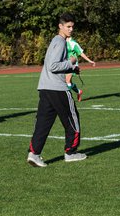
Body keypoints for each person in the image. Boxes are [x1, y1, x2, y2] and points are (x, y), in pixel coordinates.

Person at [27, 12, 87, 167]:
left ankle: (34, 154)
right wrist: (71, 61)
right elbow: (53, 66)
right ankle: (71, 153)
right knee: (72, 120)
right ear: (60, 26)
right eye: (68, 26)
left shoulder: (55, 41)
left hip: (45, 87)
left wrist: (72, 68)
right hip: (58, 89)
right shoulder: (60, 42)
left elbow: (54, 65)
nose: (71, 29)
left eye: (72, 26)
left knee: (43, 122)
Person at [66, 36, 96, 102]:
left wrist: (90, 61)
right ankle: (79, 91)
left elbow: (81, 53)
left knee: (67, 81)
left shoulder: (73, 43)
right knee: (68, 82)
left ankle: (66, 99)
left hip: (72, 65)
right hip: (64, 64)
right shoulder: (62, 41)